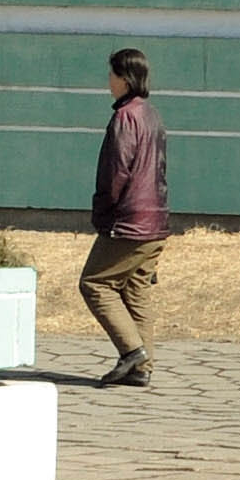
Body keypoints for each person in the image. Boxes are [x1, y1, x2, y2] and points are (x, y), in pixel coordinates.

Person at [83, 47, 169, 388]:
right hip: (157, 222)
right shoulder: (152, 114)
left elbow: (116, 172)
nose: (108, 82)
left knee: (95, 283)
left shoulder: (125, 118)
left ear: (124, 78)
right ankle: (142, 369)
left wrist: (104, 211)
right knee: (135, 291)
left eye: (111, 75)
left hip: (129, 221)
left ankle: (132, 352)